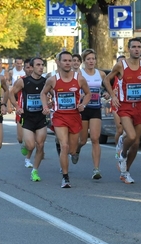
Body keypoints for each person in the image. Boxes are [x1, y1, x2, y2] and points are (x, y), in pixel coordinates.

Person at [103, 38, 141, 184]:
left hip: (140, 106)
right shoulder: (121, 65)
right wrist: (113, 96)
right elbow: (107, 80)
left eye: (139, 47)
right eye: (134, 47)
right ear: (129, 49)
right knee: (131, 136)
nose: (137, 49)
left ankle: (125, 171)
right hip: (124, 106)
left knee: (136, 142)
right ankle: (123, 154)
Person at [40, 51, 91, 188]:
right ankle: (65, 177)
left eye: (70, 60)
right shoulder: (53, 80)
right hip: (59, 116)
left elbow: (88, 93)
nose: (68, 63)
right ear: (59, 62)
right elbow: (43, 93)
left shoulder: (79, 78)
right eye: (65, 60)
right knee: (64, 145)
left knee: (72, 149)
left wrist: (83, 104)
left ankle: (74, 153)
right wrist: (45, 106)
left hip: (74, 116)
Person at [9, 57, 47, 182]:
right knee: (30, 145)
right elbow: (11, 93)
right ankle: (26, 145)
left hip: (40, 118)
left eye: (42, 65)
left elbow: (54, 95)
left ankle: (35, 171)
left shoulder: (46, 82)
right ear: (32, 67)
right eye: (38, 65)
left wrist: (49, 105)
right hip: (28, 118)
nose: (41, 67)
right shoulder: (23, 82)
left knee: (40, 145)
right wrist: (17, 106)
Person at [74, 49, 107, 179]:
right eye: (88, 59)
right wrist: (79, 95)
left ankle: (96, 169)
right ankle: (77, 149)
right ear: (84, 61)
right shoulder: (78, 74)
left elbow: (107, 87)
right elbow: (72, 88)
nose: (91, 61)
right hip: (82, 109)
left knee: (94, 138)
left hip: (95, 108)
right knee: (82, 140)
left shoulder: (101, 74)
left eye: (93, 59)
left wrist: (107, 93)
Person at [14, 58, 34, 168]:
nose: (30, 69)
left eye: (31, 67)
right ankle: (23, 144)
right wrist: (16, 106)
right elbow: (11, 93)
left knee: (32, 141)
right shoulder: (21, 81)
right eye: (27, 67)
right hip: (22, 113)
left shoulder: (41, 81)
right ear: (24, 68)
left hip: (35, 114)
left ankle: (28, 159)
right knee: (21, 138)